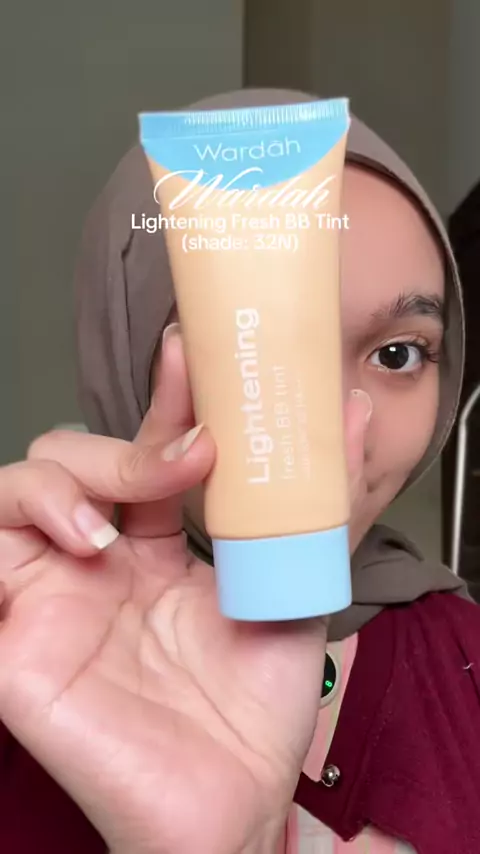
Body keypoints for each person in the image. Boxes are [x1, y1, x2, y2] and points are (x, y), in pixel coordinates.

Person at [0, 88, 478, 854]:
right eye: (253, 344)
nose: (334, 433)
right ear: (123, 353)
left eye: (398, 354)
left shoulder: (467, 668)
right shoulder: (28, 678)